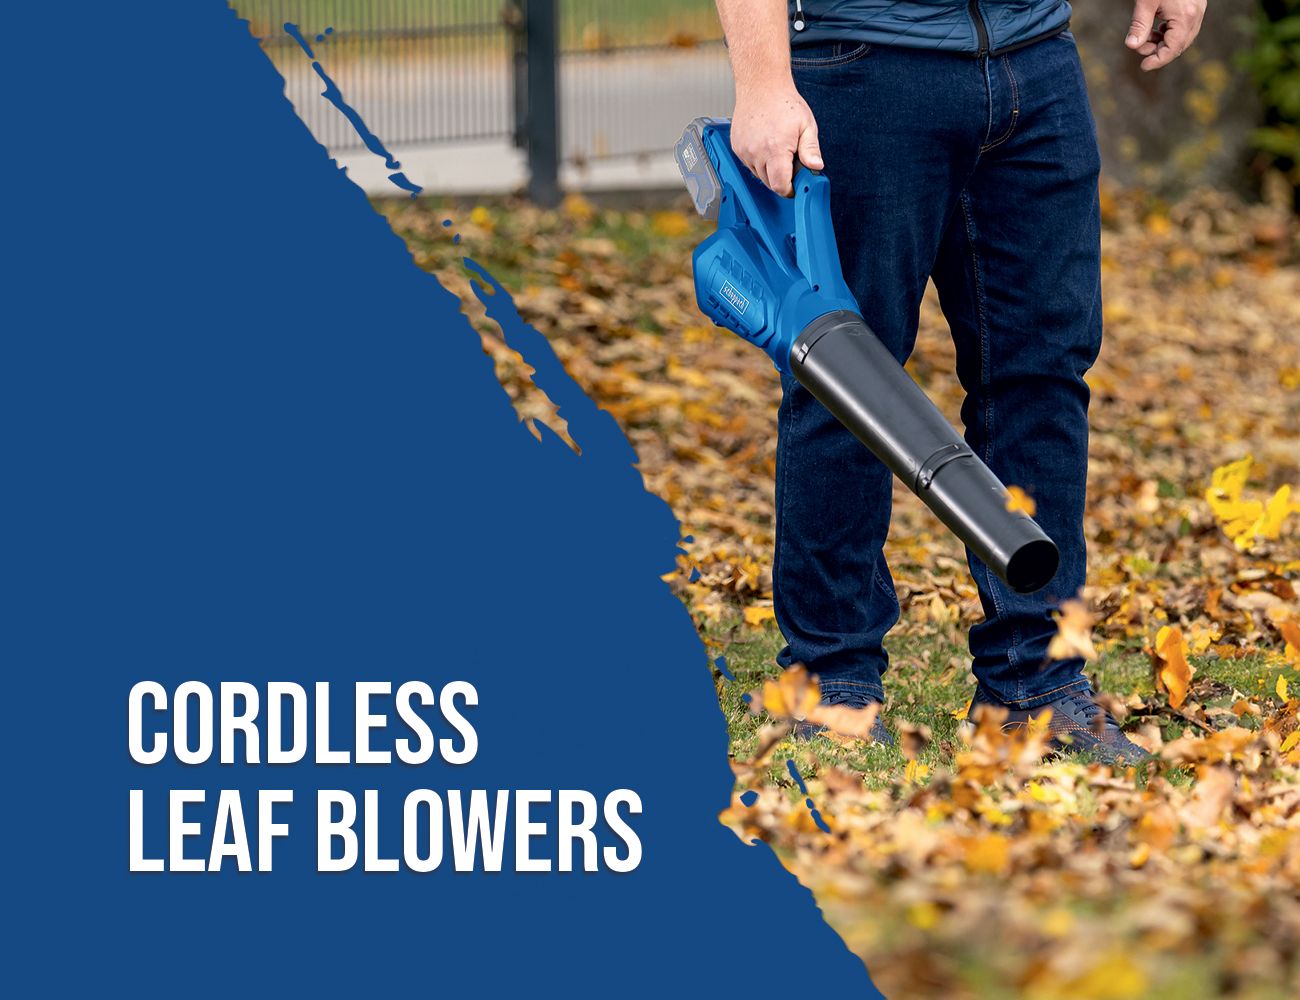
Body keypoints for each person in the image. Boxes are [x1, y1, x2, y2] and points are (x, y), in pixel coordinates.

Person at [714, 0, 1206, 762]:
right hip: (863, 62)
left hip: (1034, 60)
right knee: (846, 380)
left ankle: (1034, 682)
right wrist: (762, 80)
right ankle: (830, 679)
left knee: (1042, 373)